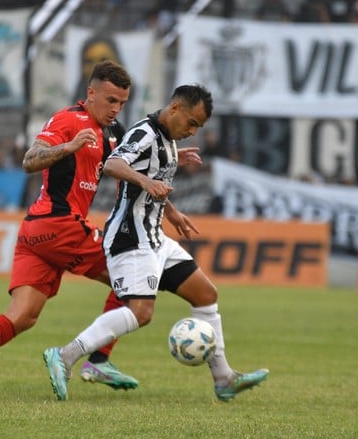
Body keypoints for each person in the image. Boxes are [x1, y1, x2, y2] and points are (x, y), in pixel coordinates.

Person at [0, 61, 201, 396]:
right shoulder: (69, 119)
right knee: (128, 271)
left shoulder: (113, 133)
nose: (116, 109)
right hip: (57, 225)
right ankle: (98, 361)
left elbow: (130, 172)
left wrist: (169, 179)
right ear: (91, 93)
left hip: (37, 234)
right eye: (110, 100)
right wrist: (67, 147)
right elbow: (30, 160)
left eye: (122, 103)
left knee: (23, 316)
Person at [43, 84, 269, 402]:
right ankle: (65, 356)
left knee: (205, 294)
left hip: (154, 238)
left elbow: (154, 176)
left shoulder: (169, 140)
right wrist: (146, 181)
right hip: (129, 237)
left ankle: (224, 378)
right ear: (175, 108)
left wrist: (172, 212)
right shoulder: (145, 133)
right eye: (192, 123)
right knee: (141, 312)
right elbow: (113, 164)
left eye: (199, 128)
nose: (193, 131)